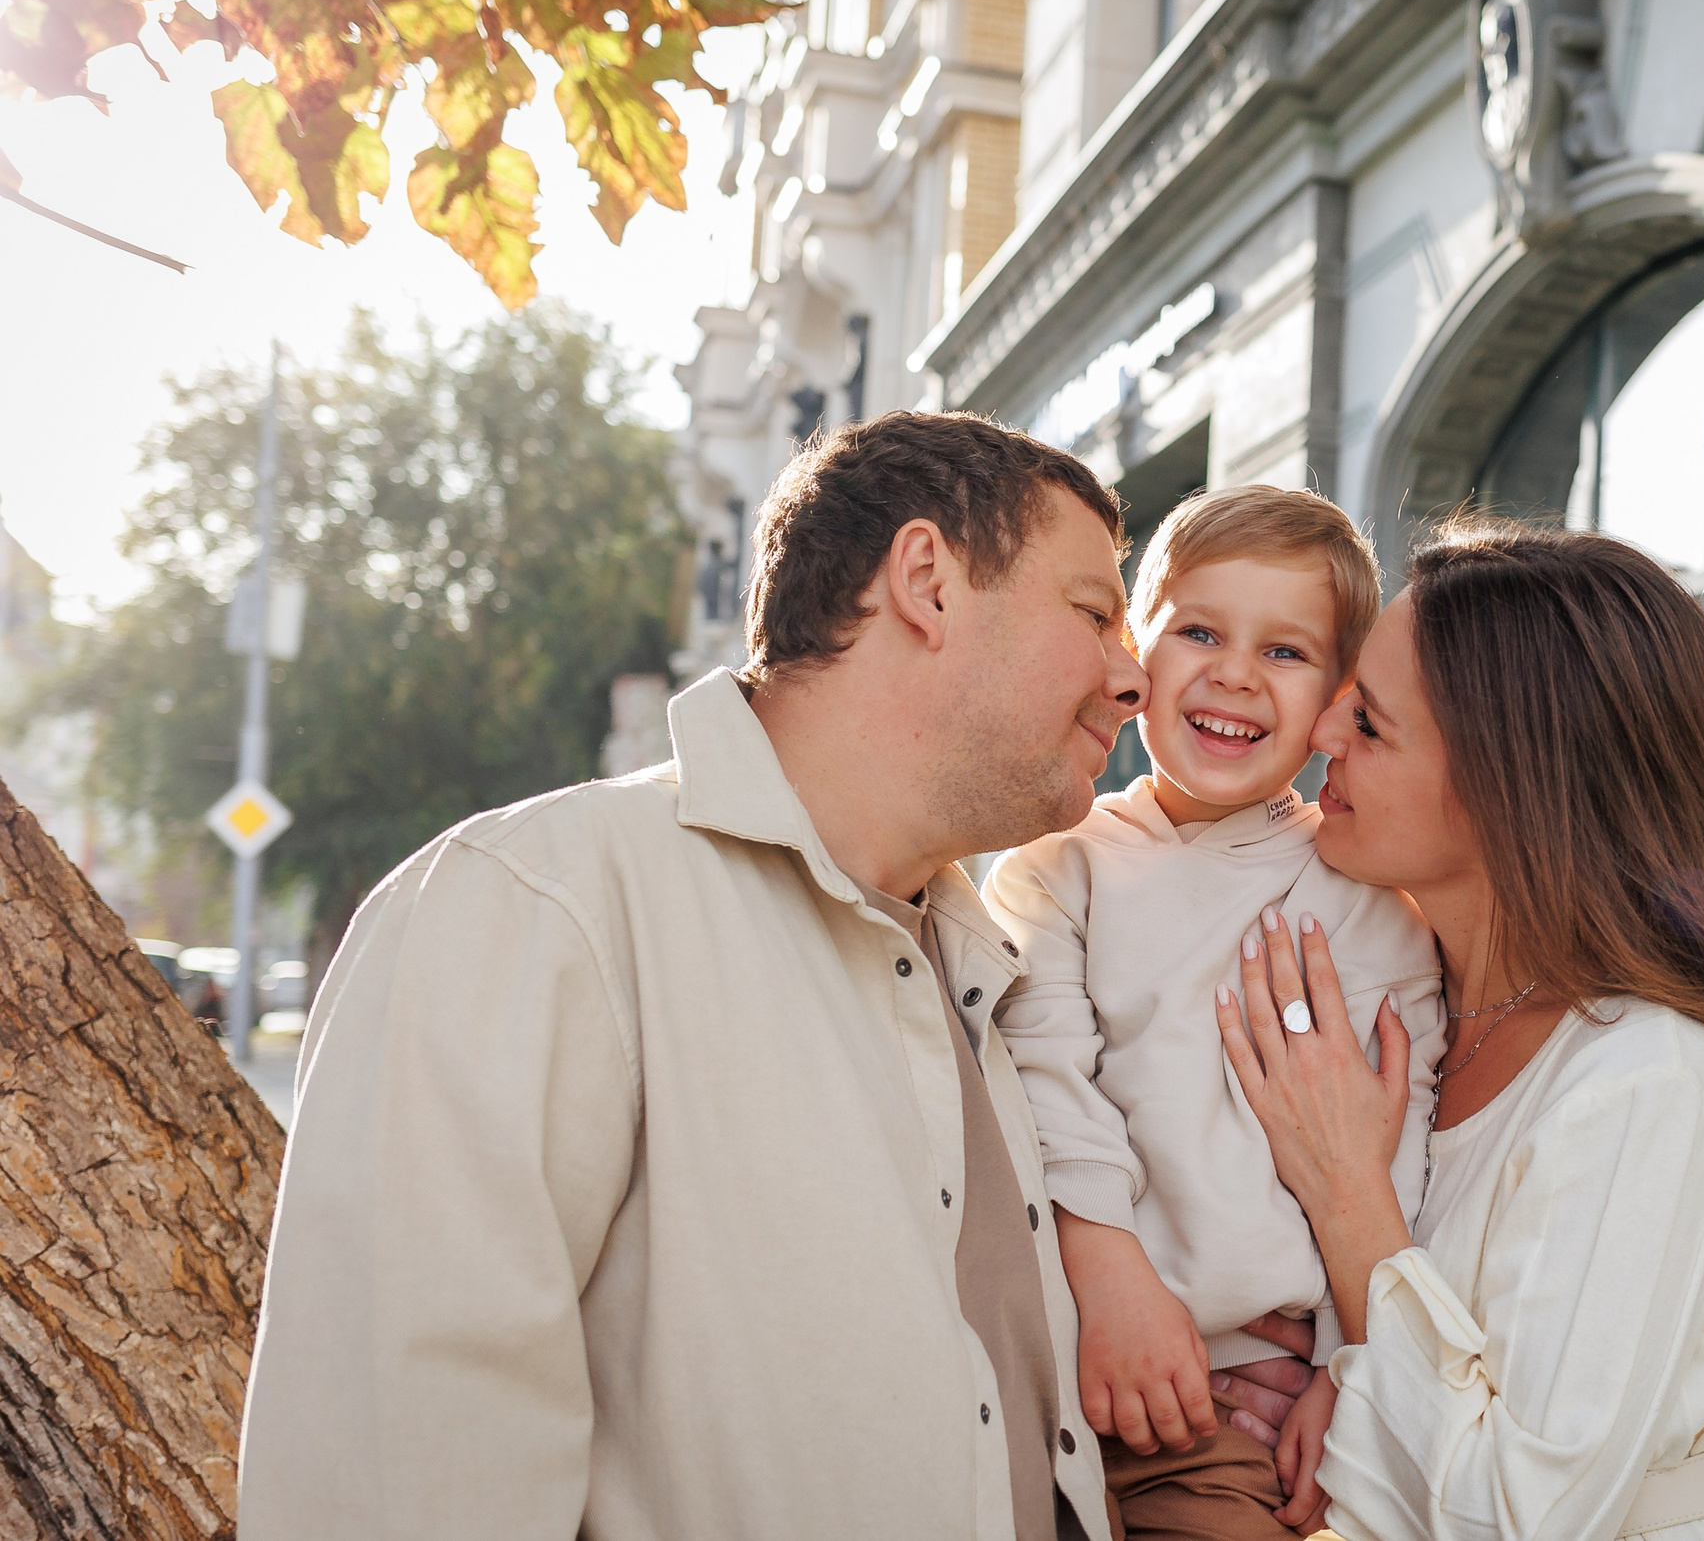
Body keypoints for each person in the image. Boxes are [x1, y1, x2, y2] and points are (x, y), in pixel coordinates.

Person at [236, 412, 1149, 1541]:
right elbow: (397, 1488)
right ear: (927, 581)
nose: (1133, 675)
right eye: (1095, 614)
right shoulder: (537, 908)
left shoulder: (983, 966)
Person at [1210, 518, 1704, 1540]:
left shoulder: (1644, 1076)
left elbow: (1513, 1519)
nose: (1322, 732)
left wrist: (1348, 1195)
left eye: (1373, 724)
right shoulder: (1414, 1014)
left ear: (1506, 788)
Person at [986, 487, 1446, 1541]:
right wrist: (1113, 1282)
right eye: (1199, 632)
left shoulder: (1368, 905)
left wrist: (1348, 1363)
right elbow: (1045, 1083)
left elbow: (1403, 1155)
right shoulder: (1056, 867)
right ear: (1133, 655)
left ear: (1336, 698)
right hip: (1036, 1366)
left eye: (1284, 651)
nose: (1235, 673)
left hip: (1229, 1416)